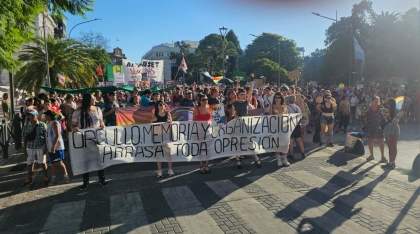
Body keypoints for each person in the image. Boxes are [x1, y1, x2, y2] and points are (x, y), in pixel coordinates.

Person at [72, 93, 107, 190]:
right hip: (84, 139)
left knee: (99, 159)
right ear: (87, 100)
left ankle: (102, 179)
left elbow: (101, 122)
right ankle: (85, 181)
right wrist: (75, 129)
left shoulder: (97, 109)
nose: (94, 100)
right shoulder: (77, 112)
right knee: (85, 161)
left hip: (96, 139)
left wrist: (103, 126)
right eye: (92, 99)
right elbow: (73, 125)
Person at [231, 82, 262, 169]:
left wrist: (252, 82)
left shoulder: (246, 102)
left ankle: (256, 158)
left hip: (246, 124)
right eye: (242, 94)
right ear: (238, 95)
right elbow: (232, 114)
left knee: (250, 140)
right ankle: (237, 159)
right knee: (238, 142)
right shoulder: (235, 103)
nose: (244, 95)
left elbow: (250, 92)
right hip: (238, 125)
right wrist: (235, 116)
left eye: (244, 94)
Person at [22, 109, 49, 186]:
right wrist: (24, 149)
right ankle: (29, 178)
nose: (31, 116)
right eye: (29, 115)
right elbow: (25, 138)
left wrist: (45, 147)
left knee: (43, 163)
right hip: (30, 147)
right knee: (30, 163)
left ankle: (46, 177)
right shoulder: (26, 126)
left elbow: (46, 137)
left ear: (36, 115)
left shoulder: (42, 125)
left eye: (32, 115)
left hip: (40, 146)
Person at [44, 110, 70, 185]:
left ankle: (66, 176)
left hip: (57, 147)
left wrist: (54, 146)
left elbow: (57, 135)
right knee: (52, 163)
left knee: (59, 162)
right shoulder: (49, 123)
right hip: (50, 146)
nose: (45, 117)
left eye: (46, 115)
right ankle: (54, 178)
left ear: (49, 116)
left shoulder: (55, 123)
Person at [151, 100, 174, 177]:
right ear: (157, 106)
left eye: (163, 104)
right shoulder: (155, 115)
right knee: (158, 154)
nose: (162, 105)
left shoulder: (168, 114)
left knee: (169, 153)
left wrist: (169, 122)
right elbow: (150, 124)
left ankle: (170, 169)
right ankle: (159, 170)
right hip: (157, 136)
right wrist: (152, 121)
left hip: (166, 136)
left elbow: (172, 123)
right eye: (160, 104)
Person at [193, 94, 212, 173]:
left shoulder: (211, 108)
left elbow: (215, 118)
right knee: (199, 149)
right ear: (200, 101)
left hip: (208, 131)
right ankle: (201, 164)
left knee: (208, 148)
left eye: (206, 99)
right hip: (199, 131)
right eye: (203, 100)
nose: (205, 101)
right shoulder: (196, 109)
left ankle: (207, 164)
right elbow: (193, 121)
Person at [269, 92, 290, 166]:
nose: (277, 99)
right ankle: (278, 158)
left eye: (278, 97)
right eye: (276, 97)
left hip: (284, 127)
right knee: (277, 143)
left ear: (281, 98)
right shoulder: (272, 107)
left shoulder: (285, 107)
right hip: (275, 127)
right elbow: (270, 118)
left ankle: (284, 157)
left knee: (286, 142)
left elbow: (287, 117)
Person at [364, 96, 386, 162]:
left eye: (377, 101)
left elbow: (384, 116)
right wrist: (365, 120)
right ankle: (371, 155)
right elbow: (365, 117)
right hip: (370, 125)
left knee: (380, 140)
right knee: (370, 140)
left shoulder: (380, 108)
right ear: (372, 101)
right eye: (375, 101)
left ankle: (383, 156)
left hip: (378, 126)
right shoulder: (368, 108)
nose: (376, 103)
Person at [381, 98, 400, 169]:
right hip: (396, 127)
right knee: (394, 146)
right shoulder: (397, 110)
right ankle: (393, 162)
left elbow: (384, 117)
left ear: (389, 104)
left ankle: (390, 163)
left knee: (390, 147)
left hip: (389, 127)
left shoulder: (387, 111)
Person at [287, 95, 306, 160]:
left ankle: (291, 154)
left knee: (291, 140)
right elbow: (300, 116)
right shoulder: (297, 107)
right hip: (297, 124)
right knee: (299, 139)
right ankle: (303, 152)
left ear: (288, 100)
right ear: (294, 100)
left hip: (290, 124)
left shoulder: (287, 107)